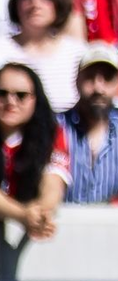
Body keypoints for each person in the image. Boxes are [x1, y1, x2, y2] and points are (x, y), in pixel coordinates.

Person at [60, 42, 118, 204]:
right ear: (76, 81)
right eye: (90, 77)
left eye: (107, 78)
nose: (98, 88)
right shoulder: (57, 126)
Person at [0, 0, 86, 114]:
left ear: (58, 2)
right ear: (16, 3)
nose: (35, 3)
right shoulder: (2, 49)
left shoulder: (78, 54)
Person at [0, 61, 68, 240]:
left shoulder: (52, 134)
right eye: (2, 93)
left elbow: (54, 182)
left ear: (35, 99)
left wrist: (41, 213)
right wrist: (22, 215)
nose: (10, 101)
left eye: (21, 95)